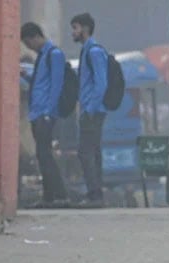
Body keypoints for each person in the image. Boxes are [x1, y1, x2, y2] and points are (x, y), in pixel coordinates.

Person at [20, 22, 70, 208]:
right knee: (42, 155)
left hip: (45, 113)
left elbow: (56, 85)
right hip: (37, 112)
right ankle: (50, 196)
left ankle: (58, 195)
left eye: (28, 43)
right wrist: (25, 75)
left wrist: (49, 112)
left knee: (45, 154)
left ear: (35, 37)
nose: (28, 47)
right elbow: (40, 82)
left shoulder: (54, 55)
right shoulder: (42, 56)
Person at [71, 13, 108, 208]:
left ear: (84, 28)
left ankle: (95, 195)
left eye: (75, 28)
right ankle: (96, 193)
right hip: (89, 109)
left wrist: (90, 109)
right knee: (92, 152)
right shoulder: (87, 50)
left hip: (93, 111)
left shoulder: (93, 51)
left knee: (86, 152)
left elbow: (101, 83)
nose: (73, 32)